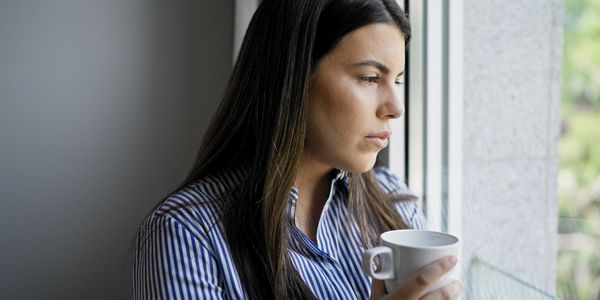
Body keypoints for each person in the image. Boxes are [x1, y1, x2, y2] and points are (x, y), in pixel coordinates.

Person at [132, 0, 464, 299]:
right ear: (292, 79)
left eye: (398, 81)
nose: (396, 107)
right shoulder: (186, 236)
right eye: (369, 77)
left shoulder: (392, 204)